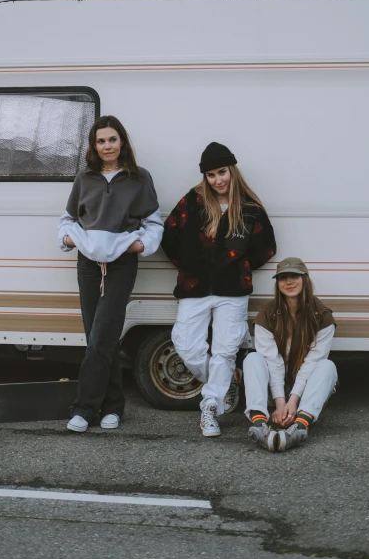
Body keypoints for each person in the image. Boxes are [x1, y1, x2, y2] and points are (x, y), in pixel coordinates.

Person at [162, 142, 276, 437]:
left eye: (222, 172)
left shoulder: (250, 208)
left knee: (224, 351)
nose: (218, 180)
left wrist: (240, 267)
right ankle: (226, 382)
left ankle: (209, 406)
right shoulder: (192, 202)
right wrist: (188, 266)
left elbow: (266, 248)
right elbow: (169, 235)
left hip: (233, 291)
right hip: (194, 287)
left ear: (232, 171)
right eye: (211, 175)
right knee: (187, 345)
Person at [58, 115, 163, 432]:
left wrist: (139, 245)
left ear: (122, 142)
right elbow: (68, 218)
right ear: (94, 145)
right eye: (101, 141)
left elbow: (154, 222)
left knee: (103, 335)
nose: (107, 146)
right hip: (88, 264)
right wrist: (68, 238)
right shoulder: (84, 178)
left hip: (121, 265)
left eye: (112, 140)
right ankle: (113, 406)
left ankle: (84, 408)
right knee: (98, 337)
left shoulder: (138, 178)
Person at [244, 257, 337, 452]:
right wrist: (280, 403)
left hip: (303, 395)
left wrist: (293, 402)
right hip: (273, 390)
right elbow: (272, 361)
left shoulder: (322, 315)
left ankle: (300, 426)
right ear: (277, 283)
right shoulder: (267, 314)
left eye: (294, 276)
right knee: (252, 358)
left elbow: (313, 361)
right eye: (282, 277)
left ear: (305, 279)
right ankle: (260, 424)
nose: (288, 282)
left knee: (327, 366)